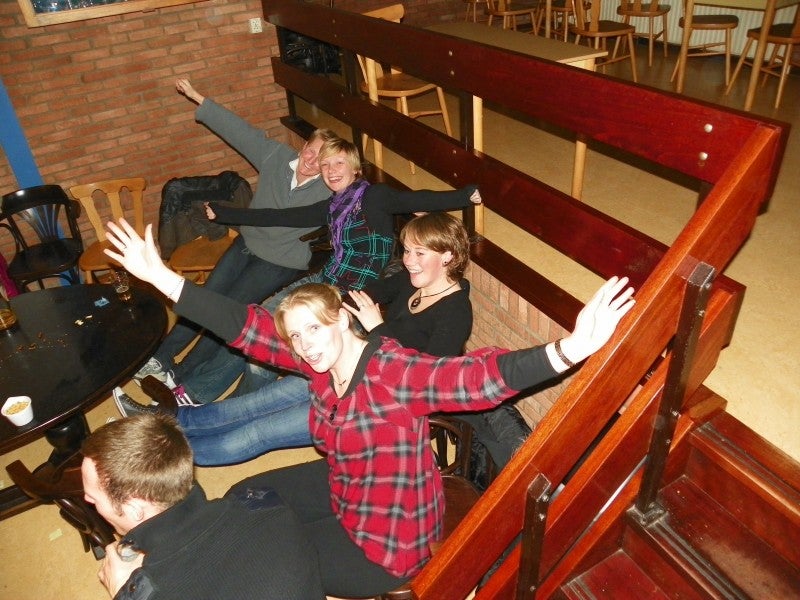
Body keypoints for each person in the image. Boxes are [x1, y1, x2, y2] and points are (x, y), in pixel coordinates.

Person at [104, 217, 635, 597]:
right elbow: (248, 327)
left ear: (341, 319)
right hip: (347, 485)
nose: (306, 345)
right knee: (249, 495)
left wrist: (569, 350)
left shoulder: (393, 373)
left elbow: (477, 378)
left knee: (269, 559)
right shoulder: (317, 363)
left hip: (387, 539)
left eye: (314, 329)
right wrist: (166, 280)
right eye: (297, 336)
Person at [119, 137, 481, 407]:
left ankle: (213, 402)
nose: (331, 170)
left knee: (264, 347)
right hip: (323, 282)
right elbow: (279, 216)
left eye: (339, 163)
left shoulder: (375, 197)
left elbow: (418, 198)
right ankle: (190, 389)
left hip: (349, 298)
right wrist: (228, 214)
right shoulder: (332, 205)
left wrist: (466, 195)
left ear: (356, 168)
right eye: (326, 165)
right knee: (255, 321)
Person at [119, 212, 475, 466]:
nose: (409, 261)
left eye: (419, 253)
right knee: (248, 406)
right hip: (346, 367)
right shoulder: (410, 281)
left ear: (449, 255)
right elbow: (361, 296)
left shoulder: (456, 312)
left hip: (375, 405)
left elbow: (427, 382)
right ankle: (159, 421)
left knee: (256, 432)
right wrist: (324, 310)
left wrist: (378, 328)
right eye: (407, 250)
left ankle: (156, 454)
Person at [130, 78, 337, 399]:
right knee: (203, 298)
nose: (312, 161)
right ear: (304, 145)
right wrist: (199, 99)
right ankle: (161, 357)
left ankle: (179, 375)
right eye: (312, 150)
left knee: (225, 311)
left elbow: (354, 188)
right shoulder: (277, 157)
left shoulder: (328, 186)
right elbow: (240, 131)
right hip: (245, 245)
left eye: (321, 159)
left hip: (279, 261)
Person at [80, 413, 325, 600]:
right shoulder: (262, 501)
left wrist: (123, 592)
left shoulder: (160, 592)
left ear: (135, 509)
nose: (87, 501)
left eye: (93, 498)